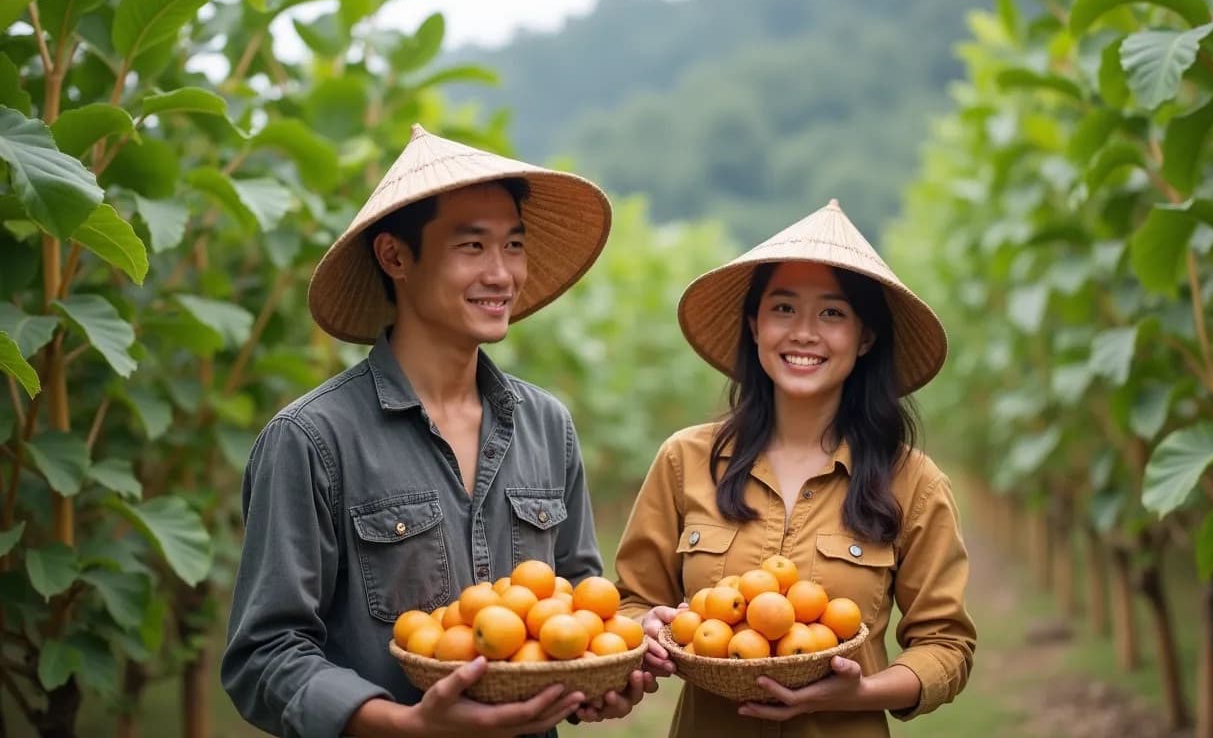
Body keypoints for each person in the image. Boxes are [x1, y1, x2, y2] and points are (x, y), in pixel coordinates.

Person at [221, 125, 651, 737]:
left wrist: (600, 675)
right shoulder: (311, 440)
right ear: (395, 256)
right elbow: (265, 656)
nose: (502, 274)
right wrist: (408, 724)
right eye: (472, 247)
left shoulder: (546, 425)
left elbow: (580, 597)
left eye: (513, 245)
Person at [614, 199, 976, 737]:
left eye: (832, 313)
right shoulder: (684, 460)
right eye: (783, 308)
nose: (804, 332)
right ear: (754, 326)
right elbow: (630, 603)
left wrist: (864, 691)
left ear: (865, 337)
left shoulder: (913, 482)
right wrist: (641, 629)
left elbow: (946, 646)